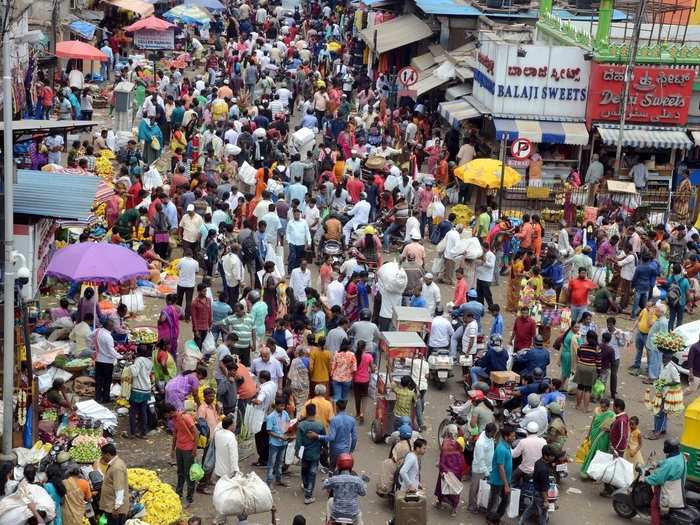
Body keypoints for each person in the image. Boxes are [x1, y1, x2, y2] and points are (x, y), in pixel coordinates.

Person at [646, 438, 687, 525]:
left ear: (668, 449)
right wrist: (658, 463)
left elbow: (658, 479)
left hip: (667, 488)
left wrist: (646, 479)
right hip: (677, 486)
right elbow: (669, 462)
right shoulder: (681, 456)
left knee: (654, 505)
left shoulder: (669, 463)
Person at [164, 403, 199, 507]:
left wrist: (194, 449)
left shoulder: (185, 417)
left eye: (165, 415)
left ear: (170, 412)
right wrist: (173, 449)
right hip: (180, 448)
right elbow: (175, 434)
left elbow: (196, 433)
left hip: (188, 449)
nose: (166, 417)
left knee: (189, 474)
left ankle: (190, 497)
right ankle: (178, 493)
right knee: (180, 472)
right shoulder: (174, 419)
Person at [648, 351, 684, 440]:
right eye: (663, 358)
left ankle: (657, 432)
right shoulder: (662, 365)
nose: (663, 359)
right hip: (660, 392)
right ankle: (662, 429)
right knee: (658, 411)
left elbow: (677, 381)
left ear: (669, 359)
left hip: (667, 393)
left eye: (665, 358)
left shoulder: (672, 368)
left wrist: (666, 384)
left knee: (661, 413)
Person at [311, 398, 357, 467]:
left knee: (332, 468)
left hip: (335, 450)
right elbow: (354, 438)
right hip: (345, 450)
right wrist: (351, 450)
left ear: (337, 408)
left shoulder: (334, 420)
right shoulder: (352, 420)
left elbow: (332, 437)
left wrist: (318, 436)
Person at [323, 454, 367, 525]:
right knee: (360, 517)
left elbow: (325, 486)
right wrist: (363, 482)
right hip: (353, 515)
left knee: (330, 501)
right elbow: (363, 493)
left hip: (336, 514)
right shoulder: (357, 480)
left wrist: (326, 480)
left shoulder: (335, 479)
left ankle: (328, 522)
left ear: (338, 465)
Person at [518, 445, 556, 525]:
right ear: (546, 456)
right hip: (540, 494)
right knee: (543, 514)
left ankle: (521, 521)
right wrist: (546, 500)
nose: (553, 457)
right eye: (551, 456)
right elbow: (543, 488)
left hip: (535, 491)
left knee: (531, 508)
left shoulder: (538, 462)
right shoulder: (544, 470)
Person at [296, 403, 325, 504]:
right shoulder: (320, 425)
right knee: (312, 473)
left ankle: (305, 485)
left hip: (304, 453)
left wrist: (297, 452)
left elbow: (298, 441)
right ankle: (308, 495)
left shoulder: (301, 425)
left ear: (306, 412)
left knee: (304, 470)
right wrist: (324, 449)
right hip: (315, 454)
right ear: (315, 412)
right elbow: (323, 439)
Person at [434, 424, 466, 516]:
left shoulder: (445, 441)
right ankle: (454, 508)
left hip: (445, 467)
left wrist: (441, 468)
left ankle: (440, 503)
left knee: (441, 486)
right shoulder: (460, 441)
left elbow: (442, 455)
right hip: (456, 468)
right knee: (454, 489)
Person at [486, 426, 515, 525]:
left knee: (505, 501)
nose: (514, 437)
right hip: (498, 481)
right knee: (494, 501)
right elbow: (500, 468)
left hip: (505, 481)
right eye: (512, 436)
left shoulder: (507, 446)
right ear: (506, 437)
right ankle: (490, 519)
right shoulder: (501, 449)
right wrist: (506, 485)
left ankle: (496, 518)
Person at [580, 398, 615, 478]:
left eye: (604, 407)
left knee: (599, 455)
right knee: (592, 453)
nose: (602, 409)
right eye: (601, 407)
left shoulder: (611, 415)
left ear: (608, 407)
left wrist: (608, 430)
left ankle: (596, 474)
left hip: (604, 437)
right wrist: (588, 435)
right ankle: (589, 471)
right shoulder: (596, 411)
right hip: (594, 434)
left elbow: (613, 428)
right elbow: (592, 423)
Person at [468, 422, 497, 513]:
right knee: (475, 489)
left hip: (488, 467)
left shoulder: (490, 437)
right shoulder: (481, 443)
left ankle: (481, 505)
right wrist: (486, 472)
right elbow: (480, 460)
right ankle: (472, 506)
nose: (494, 435)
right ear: (489, 432)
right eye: (493, 433)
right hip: (479, 469)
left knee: (484, 488)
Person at [98, 444, 129, 525]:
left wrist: (116, 509)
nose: (102, 457)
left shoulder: (116, 467)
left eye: (103, 454)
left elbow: (119, 489)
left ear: (108, 454)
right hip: (111, 505)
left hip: (115, 508)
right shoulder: (115, 463)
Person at [93, 318, 121, 404]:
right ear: (109, 327)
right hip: (107, 362)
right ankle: (105, 398)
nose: (113, 328)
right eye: (112, 326)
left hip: (98, 359)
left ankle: (98, 397)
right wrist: (121, 356)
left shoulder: (97, 331)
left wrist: (94, 347)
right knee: (107, 381)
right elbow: (111, 351)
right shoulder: (108, 337)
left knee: (98, 380)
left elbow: (89, 337)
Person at [128, 344, 153, 439]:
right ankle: (143, 432)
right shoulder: (149, 362)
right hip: (146, 389)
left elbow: (134, 373)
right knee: (143, 411)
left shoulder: (138, 360)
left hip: (137, 388)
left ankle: (133, 432)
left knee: (133, 411)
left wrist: (130, 364)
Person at [266, 396, 291, 488]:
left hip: (283, 443)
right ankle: (269, 483)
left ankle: (278, 480)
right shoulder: (270, 417)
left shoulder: (285, 413)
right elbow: (269, 431)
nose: (282, 408)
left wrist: (289, 434)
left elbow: (288, 424)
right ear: (276, 405)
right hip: (274, 443)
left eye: (283, 406)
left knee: (280, 462)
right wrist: (280, 436)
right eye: (280, 406)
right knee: (271, 463)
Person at [575, 330, 601, 412]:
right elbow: (598, 362)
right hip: (590, 368)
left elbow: (578, 355)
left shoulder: (582, 346)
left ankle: (578, 405)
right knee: (588, 389)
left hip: (581, 367)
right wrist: (598, 372)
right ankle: (586, 408)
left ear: (587, 338)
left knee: (580, 387)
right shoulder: (597, 349)